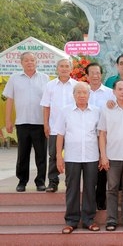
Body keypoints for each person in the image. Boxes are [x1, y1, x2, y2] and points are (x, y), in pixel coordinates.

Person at [55, 82, 101, 234]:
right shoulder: (65, 111)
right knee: (72, 188)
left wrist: (102, 156)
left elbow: (100, 135)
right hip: (72, 156)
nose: (82, 95)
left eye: (84, 93)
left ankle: (88, 219)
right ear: (73, 95)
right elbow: (60, 134)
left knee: (90, 188)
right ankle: (71, 221)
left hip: (92, 156)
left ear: (89, 95)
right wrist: (58, 157)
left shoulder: (96, 111)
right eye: (78, 92)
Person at [2, 52, 49, 192]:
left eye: (32, 60)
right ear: (21, 63)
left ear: (36, 62)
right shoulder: (14, 78)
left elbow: (48, 102)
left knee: (41, 154)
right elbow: (9, 100)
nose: (30, 62)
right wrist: (8, 120)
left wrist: (48, 122)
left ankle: (40, 181)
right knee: (22, 154)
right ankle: (22, 181)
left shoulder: (44, 78)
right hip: (22, 122)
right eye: (26, 60)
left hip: (40, 122)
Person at [98, 80, 123, 231]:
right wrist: (103, 156)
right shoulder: (106, 109)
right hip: (113, 156)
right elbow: (102, 133)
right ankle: (111, 220)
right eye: (120, 89)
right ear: (114, 92)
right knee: (112, 189)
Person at [40, 58, 78, 192]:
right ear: (57, 68)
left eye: (67, 66)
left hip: (72, 129)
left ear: (71, 69)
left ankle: (70, 182)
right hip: (54, 127)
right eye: (61, 66)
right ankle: (53, 182)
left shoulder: (76, 85)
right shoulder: (50, 85)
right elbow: (46, 106)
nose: (64, 68)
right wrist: (45, 124)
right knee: (53, 155)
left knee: (71, 156)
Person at [85, 62, 114, 211]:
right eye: (92, 73)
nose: (95, 76)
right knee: (90, 170)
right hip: (87, 137)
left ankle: (100, 200)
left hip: (104, 137)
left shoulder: (110, 93)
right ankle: (88, 201)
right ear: (87, 75)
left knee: (103, 168)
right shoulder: (83, 92)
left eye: (98, 73)